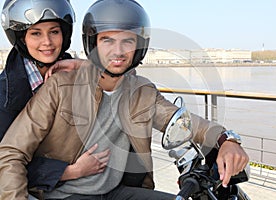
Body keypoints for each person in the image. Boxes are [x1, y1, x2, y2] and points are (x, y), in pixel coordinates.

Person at [0, 0, 249, 199]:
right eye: (107, 40)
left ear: (138, 46)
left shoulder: (142, 90)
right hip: (65, 193)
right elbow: (11, 152)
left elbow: (184, 122)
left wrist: (225, 139)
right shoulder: (59, 85)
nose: (118, 51)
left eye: (127, 41)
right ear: (93, 43)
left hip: (117, 191)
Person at [0, 0, 109, 197]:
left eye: (54, 31)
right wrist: (69, 171)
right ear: (22, 38)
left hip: (89, 185)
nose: (47, 42)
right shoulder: (3, 95)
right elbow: (5, 165)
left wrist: (84, 66)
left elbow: (127, 81)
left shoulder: (77, 73)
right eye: (36, 33)